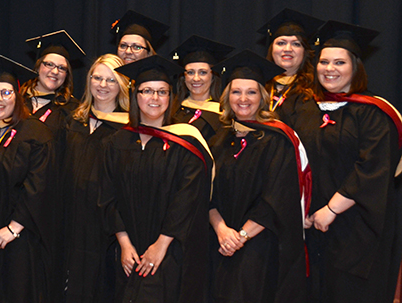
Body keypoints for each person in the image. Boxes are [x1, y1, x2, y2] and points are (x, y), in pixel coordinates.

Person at [293, 21, 402, 303]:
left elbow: (373, 168)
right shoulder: (306, 109)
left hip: (356, 229)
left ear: (355, 67)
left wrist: (330, 210)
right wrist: (300, 208)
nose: (330, 69)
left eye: (339, 62)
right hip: (311, 226)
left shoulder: (373, 113)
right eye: (324, 62)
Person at [101, 55, 212, 302]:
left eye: (162, 92)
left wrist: (161, 245)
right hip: (127, 251)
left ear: (171, 98)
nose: (154, 98)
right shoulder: (117, 142)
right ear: (135, 95)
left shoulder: (185, 143)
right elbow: (107, 196)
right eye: (147, 91)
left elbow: (187, 199)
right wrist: (124, 243)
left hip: (170, 250)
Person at [207, 50, 308, 302]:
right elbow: (206, 195)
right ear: (227, 96)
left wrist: (240, 237)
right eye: (236, 91)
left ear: (262, 97)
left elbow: (276, 199)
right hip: (220, 242)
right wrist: (221, 230)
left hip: (259, 246)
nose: (243, 99)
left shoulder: (277, 140)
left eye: (251, 92)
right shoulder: (218, 139)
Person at [0, 55, 56, 302]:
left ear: (17, 96)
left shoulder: (36, 132)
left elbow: (38, 187)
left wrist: (12, 229)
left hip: (20, 236)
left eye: (6, 93)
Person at [61, 53, 130, 303]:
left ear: (122, 85)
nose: (102, 85)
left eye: (111, 80)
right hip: (69, 218)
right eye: (97, 78)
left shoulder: (127, 129)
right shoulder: (74, 121)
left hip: (105, 225)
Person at [257, 8, 323, 124]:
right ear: (271, 49)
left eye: (296, 44)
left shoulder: (316, 89)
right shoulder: (257, 85)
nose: (288, 49)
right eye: (281, 43)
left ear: (305, 52)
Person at [20, 30, 85, 135]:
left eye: (61, 68)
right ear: (38, 66)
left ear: (66, 74)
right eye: (49, 64)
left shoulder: (72, 110)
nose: (55, 71)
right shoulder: (17, 99)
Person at [170, 35, 233, 141]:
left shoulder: (223, 114)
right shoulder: (172, 109)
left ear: (212, 76)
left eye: (203, 72)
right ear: (183, 77)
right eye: (190, 72)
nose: (196, 78)